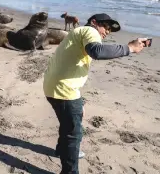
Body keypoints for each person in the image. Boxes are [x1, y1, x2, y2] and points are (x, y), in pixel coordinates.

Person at [42, 13, 148, 174]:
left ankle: (61, 150)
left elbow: (71, 63)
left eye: (110, 30)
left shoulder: (77, 34)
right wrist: (130, 48)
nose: (107, 32)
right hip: (63, 89)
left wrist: (78, 99)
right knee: (73, 133)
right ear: (94, 22)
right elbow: (97, 51)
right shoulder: (90, 31)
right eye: (105, 26)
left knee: (68, 122)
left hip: (55, 86)